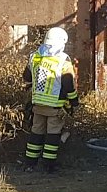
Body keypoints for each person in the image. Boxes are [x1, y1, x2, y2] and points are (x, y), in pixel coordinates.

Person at [23, 27, 78, 173]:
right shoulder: (63, 61)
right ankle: (48, 165)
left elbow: (27, 78)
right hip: (55, 106)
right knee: (53, 136)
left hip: (37, 104)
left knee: (36, 133)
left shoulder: (34, 57)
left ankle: (30, 163)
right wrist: (74, 102)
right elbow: (68, 85)